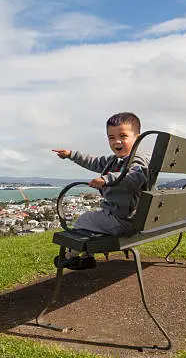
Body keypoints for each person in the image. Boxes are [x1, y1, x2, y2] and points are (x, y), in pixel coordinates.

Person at [51, 112, 150, 269]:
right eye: (111, 137)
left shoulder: (138, 161)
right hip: (129, 218)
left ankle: (70, 257)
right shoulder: (115, 160)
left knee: (83, 221)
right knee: (92, 220)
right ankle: (86, 257)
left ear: (137, 138)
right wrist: (71, 155)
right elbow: (94, 162)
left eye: (123, 136)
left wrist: (106, 179)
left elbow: (134, 176)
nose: (116, 141)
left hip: (125, 221)